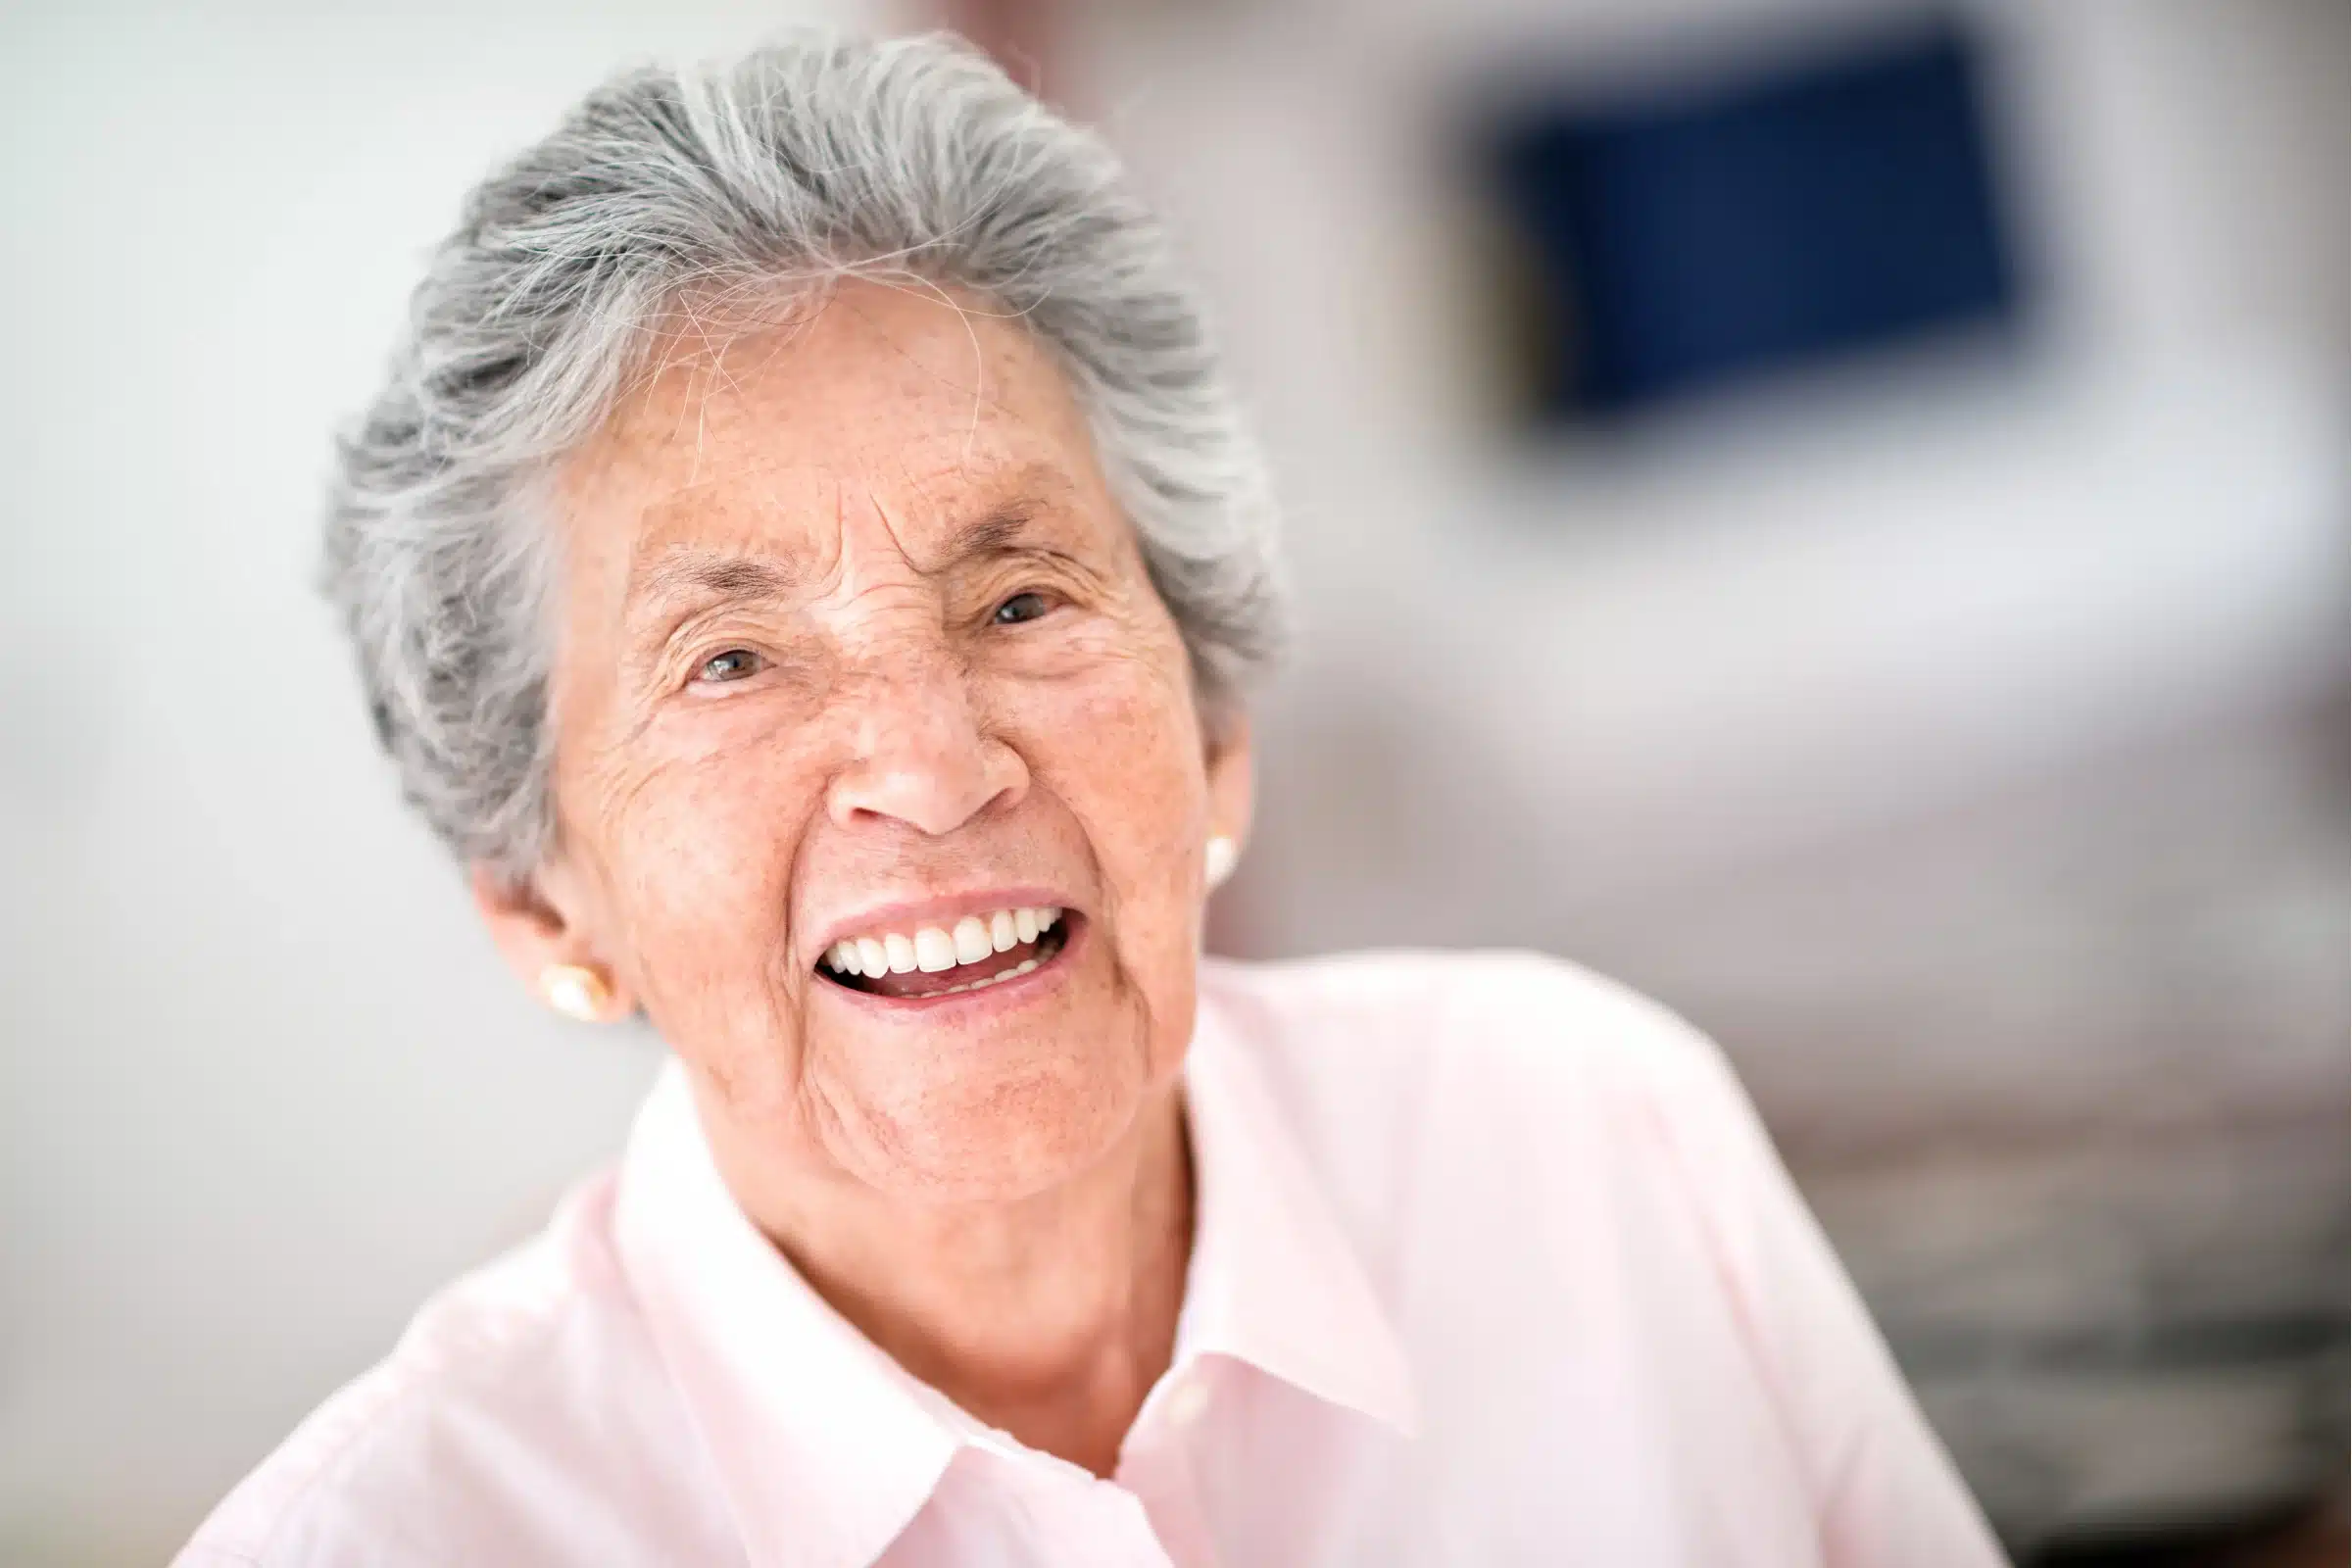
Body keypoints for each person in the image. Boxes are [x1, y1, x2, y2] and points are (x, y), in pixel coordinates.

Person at [178, 30, 2005, 1567]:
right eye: (730, 660)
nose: (933, 767)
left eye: (1022, 600)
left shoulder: (1593, 1136)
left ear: (1213, 725)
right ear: (539, 901)